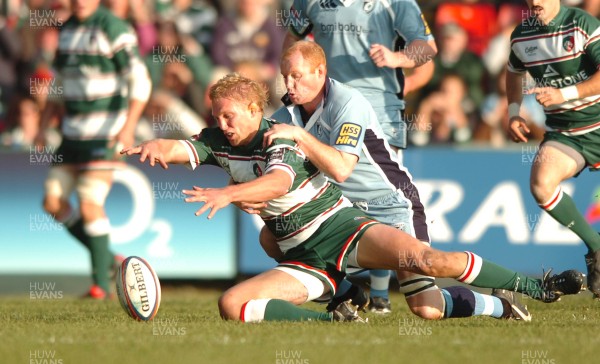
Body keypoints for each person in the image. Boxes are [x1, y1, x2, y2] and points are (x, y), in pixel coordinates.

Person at [122, 73, 585, 323]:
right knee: (232, 306)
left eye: (228, 116)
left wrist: (229, 194)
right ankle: (341, 312)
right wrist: (150, 147)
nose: (221, 124)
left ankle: (531, 289)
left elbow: (279, 184)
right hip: (303, 255)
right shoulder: (217, 141)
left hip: (341, 228)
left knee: (427, 265)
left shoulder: (280, 136)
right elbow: (180, 147)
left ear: (251, 111)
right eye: (216, 117)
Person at [245, 41, 532, 320]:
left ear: (320, 72)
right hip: (340, 213)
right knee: (271, 237)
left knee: (426, 307)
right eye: (285, 77)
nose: (289, 85)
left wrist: (299, 136)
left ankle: (502, 305)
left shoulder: (347, 101)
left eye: (296, 75)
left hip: (389, 204)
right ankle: (346, 293)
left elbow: (342, 170)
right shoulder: (286, 115)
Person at [283, 0, 437, 312]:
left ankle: (379, 292)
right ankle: (352, 289)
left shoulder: (395, 3)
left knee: (378, 193)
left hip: (378, 111)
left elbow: (427, 48)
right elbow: (292, 41)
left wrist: (398, 57)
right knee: (335, 198)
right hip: (324, 113)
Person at [35, 0, 151, 299]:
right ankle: (110, 259)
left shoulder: (113, 28)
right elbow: (59, 85)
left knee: (89, 205)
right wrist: (41, 125)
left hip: (105, 135)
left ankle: (100, 284)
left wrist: (127, 128)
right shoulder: (68, 30)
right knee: (51, 203)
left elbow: (140, 82)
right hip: (72, 137)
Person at [506, 0, 600, 299]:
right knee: (541, 185)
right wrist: (513, 112)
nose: (535, 2)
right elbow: (512, 72)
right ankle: (597, 249)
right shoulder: (522, 36)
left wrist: (564, 93)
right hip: (567, 132)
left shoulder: (581, 24)